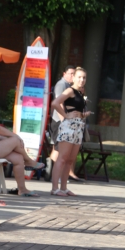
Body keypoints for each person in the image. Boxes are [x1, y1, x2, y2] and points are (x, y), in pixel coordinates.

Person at [50, 67, 90, 196]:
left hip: (78, 127)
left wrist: (83, 115)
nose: (82, 80)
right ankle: (54, 188)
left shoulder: (80, 93)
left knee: (70, 160)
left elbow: (77, 110)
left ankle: (64, 187)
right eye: (79, 77)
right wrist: (65, 115)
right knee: (62, 158)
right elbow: (55, 103)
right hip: (68, 127)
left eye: (84, 77)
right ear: (73, 78)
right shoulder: (70, 90)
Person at [49, 65, 79, 180]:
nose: (72, 76)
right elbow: (59, 103)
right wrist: (65, 120)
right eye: (70, 73)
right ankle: (51, 174)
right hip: (59, 121)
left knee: (59, 148)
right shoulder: (61, 84)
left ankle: (54, 174)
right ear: (64, 74)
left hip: (63, 121)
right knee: (58, 148)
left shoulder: (69, 86)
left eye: (73, 74)